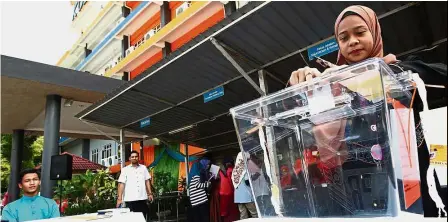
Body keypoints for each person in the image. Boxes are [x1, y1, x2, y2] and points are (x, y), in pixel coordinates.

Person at [289, 5, 447, 217]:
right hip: (359, 186)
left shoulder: (399, 69)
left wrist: (365, 76)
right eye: (344, 38)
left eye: (360, 32)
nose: (352, 41)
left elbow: (441, 73)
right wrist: (300, 84)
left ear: (374, 32)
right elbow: (294, 111)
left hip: (411, 179)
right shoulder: (334, 87)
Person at [117, 151, 153, 220]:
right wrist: (119, 198)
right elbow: (121, 184)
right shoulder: (125, 170)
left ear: (138, 158)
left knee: (144, 218)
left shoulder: (143, 168)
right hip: (130, 200)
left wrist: (150, 193)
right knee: (132, 220)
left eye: (136, 156)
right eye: (132, 157)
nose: (134, 158)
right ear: (129, 158)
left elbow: (147, 181)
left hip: (142, 199)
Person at [232, 152, 258, 219]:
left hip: (238, 196)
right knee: (254, 213)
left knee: (243, 214)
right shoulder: (245, 169)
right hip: (246, 195)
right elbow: (248, 181)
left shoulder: (235, 169)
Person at [218, 157, 239, 222]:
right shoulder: (232, 170)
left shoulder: (226, 171)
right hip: (232, 194)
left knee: (228, 213)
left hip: (227, 194)